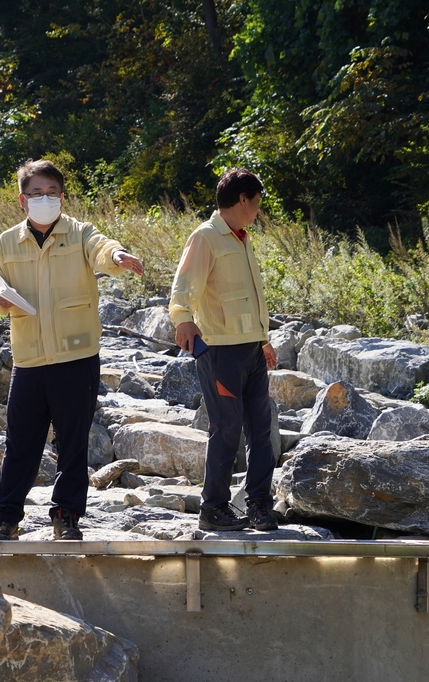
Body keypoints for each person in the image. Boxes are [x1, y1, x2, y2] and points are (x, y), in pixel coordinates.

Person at [0, 160, 143, 541]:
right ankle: (4, 518)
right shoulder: (6, 242)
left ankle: (67, 516)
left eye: (51, 193)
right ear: (23, 200)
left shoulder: (80, 233)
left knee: (73, 443)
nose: (44, 199)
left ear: (62, 197)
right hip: (29, 358)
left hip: (76, 357)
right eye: (36, 193)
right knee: (20, 443)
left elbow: (102, 248)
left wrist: (117, 256)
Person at [169, 168, 278, 532]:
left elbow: (250, 297)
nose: (258, 210)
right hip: (219, 353)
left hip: (250, 351)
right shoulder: (205, 237)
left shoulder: (242, 238)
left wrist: (262, 340)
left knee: (262, 429)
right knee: (227, 428)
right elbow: (184, 287)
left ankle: (260, 505)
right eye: (257, 203)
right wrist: (183, 319)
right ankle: (213, 508)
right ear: (243, 199)